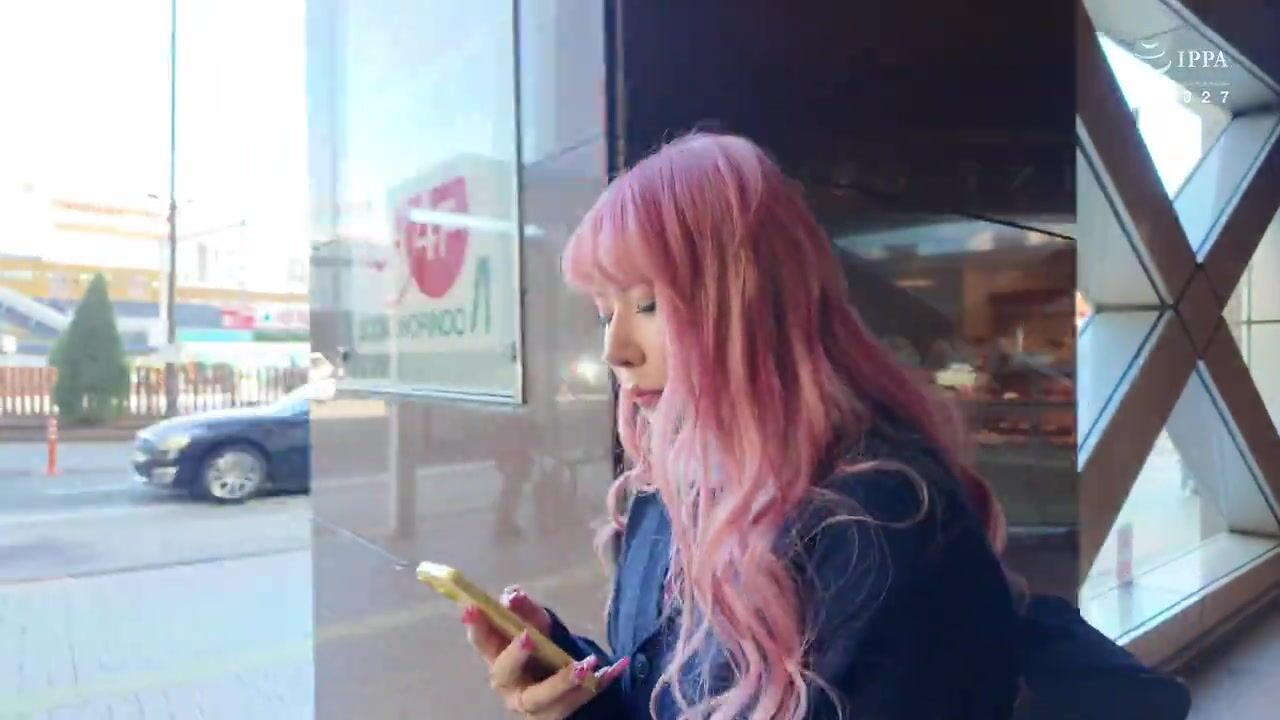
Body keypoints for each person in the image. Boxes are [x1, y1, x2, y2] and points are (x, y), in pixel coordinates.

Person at [460, 133, 1022, 719]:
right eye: (605, 313)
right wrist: (575, 689)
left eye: (649, 305)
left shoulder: (879, 525)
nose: (616, 350)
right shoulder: (670, 487)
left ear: (754, 300)